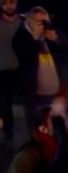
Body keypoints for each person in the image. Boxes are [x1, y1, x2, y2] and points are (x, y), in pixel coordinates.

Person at [12, 6, 62, 130]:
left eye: (44, 21)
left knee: (52, 121)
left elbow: (67, 51)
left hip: (52, 88)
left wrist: (55, 40)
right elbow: (23, 56)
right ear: (29, 21)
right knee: (35, 121)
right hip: (33, 89)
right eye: (38, 22)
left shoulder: (49, 34)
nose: (42, 25)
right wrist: (33, 38)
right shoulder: (21, 35)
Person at [0, 0, 20, 141]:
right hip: (3, 69)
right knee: (5, 102)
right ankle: (8, 134)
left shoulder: (24, 22)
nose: (9, 6)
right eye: (5, 3)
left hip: (23, 70)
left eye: (12, 2)